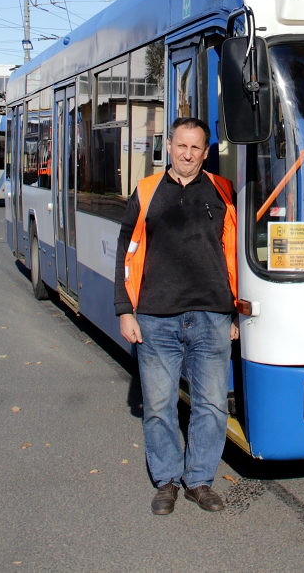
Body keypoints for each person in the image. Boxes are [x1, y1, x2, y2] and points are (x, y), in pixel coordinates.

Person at [114, 116, 238, 516]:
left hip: (211, 316)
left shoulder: (223, 190)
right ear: (169, 146)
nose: (188, 154)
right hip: (155, 317)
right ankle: (166, 479)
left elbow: (233, 254)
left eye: (196, 148)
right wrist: (124, 310)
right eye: (181, 146)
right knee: (159, 404)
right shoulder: (147, 192)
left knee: (212, 404)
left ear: (206, 152)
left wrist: (235, 311)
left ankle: (199, 481)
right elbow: (126, 250)